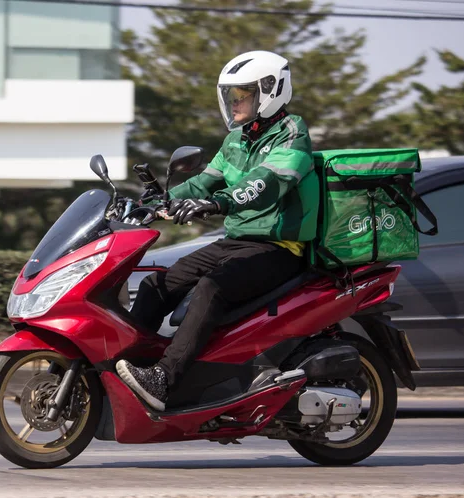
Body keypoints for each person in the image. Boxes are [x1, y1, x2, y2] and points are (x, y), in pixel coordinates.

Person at [116, 50, 319, 411]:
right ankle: (125, 369)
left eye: (242, 94)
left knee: (211, 289)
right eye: (231, 95)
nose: (233, 102)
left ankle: (164, 380)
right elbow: (202, 184)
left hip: (279, 248)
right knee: (156, 285)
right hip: (237, 242)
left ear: (269, 91)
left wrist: (219, 203)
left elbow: (268, 182)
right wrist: (151, 204)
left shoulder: (292, 134)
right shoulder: (236, 141)